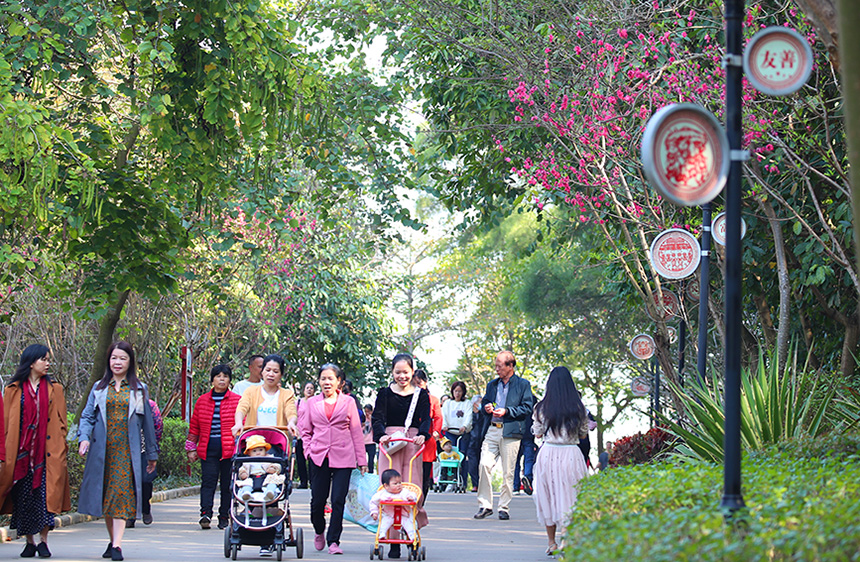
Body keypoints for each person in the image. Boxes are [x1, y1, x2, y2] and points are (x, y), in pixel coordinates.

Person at [78, 341, 158, 562]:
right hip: (102, 451)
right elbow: (87, 417)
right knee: (107, 498)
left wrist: (152, 454)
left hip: (126, 452)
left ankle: (117, 546)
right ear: (108, 360)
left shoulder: (139, 389)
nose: (117, 362)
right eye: (114, 358)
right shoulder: (99, 387)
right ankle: (112, 539)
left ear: (130, 362)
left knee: (121, 496)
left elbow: (148, 425)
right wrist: (83, 438)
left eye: (122, 358)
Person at [0, 344, 70, 559]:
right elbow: (5, 423)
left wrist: (61, 447)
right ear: (31, 362)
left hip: (47, 454)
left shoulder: (54, 389)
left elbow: (61, 422)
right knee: (24, 500)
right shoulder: (13, 389)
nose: (48, 363)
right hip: (20, 455)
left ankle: (43, 541)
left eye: (48, 359)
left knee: (44, 500)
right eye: (44, 359)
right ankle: (29, 542)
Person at [298, 363, 367, 555]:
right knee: (317, 501)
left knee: (338, 500)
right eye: (323, 378)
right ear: (318, 381)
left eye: (331, 378)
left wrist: (362, 460)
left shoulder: (348, 402)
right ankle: (319, 530)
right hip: (318, 455)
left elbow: (356, 431)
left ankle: (334, 540)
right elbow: (305, 431)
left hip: (344, 456)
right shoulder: (311, 403)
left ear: (339, 382)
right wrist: (308, 451)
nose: (326, 382)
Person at [372, 353, 430, 559]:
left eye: (406, 372)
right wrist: (381, 436)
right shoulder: (384, 393)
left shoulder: (420, 395)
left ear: (412, 372)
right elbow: (377, 418)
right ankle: (391, 538)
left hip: (412, 443)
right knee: (390, 486)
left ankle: (410, 532)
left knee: (411, 487)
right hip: (391, 443)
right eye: (398, 372)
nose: (402, 376)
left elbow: (426, 419)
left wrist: (423, 434)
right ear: (392, 372)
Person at [531, 366, 590, 555]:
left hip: (548, 454)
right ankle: (566, 539)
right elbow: (583, 435)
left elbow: (538, 433)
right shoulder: (579, 408)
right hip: (571, 454)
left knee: (547, 496)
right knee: (570, 496)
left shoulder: (541, 407)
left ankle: (551, 542)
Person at [474, 350, 535, 521]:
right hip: (492, 429)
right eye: (496, 366)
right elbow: (486, 400)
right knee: (484, 464)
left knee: (508, 471)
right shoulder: (492, 385)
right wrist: (486, 406)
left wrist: (508, 411)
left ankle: (504, 507)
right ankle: (485, 505)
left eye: (500, 366)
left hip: (511, 430)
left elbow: (527, 408)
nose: (496, 369)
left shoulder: (523, 384)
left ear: (510, 366)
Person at [186, 365, 241, 530]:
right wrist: (191, 448)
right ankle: (205, 513)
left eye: (225, 376)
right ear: (212, 380)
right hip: (208, 449)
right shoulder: (202, 401)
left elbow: (243, 425)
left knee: (227, 484)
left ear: (230, 380)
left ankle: (224, 515)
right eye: (218, 376)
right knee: (208, 482)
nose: (222, 379)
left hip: (230, 450)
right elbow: (194, 426)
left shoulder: (237, 401)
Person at [232, 354, 298, 438]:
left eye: (276, 371)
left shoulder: (287, 394)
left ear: (281, 375)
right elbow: (242, 408)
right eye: (268, 370)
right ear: (262, 372)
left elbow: (291, 412)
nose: (271, 374)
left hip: (277, 442)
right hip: (254, 443)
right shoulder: (250, 391)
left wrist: (291, 423)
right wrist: (238, 423)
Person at [128, 398, 162, 527]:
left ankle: (145, 507)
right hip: (125, 449)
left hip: (144, 448)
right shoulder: (120, 402)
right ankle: (130, 515)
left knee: (145, 480)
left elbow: (158, 426)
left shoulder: (150, 405)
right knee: (128, 481)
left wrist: (153, 447)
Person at [413, 369, 441, 506]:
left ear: (425, 382)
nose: (417, 385)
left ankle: (420, 504)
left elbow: (438, 417)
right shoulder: (409, 398)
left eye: (420, 382)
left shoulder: (433, 400)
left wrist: (436, 431)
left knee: (424, 475)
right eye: (415, 383)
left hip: (427, 440)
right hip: (411, 438)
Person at [369, 469, 418, 542]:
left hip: (403, 514)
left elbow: (413, 495)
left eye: (400, 483)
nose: (399, 485)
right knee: (383, 523)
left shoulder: (404, 492)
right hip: (389, 514)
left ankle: (412, 536)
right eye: (395, 484)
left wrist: (411, 498)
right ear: (386, 486)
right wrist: (374, 512)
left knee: (409, 524)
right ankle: (381, 534)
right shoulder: (382, 494)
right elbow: (373, 502)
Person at [441, 381, 472, 490]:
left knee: (461, 457)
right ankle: (449, 480)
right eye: (455, 391)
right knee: (449, 456)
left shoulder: (467, 403)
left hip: (462, 434)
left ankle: (462, 481)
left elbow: (468, 416)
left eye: (459, 391)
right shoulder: (448, 403)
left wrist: (465, 426)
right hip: (450, 432)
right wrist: (444, 425)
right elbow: (443, 415)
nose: (457, 394)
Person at [235, 435, 284, 502]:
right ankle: (247, 493)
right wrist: (243, 474)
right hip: (251, 477)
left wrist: (273, 469)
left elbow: (277, 466)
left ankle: (270, 492)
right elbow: (242, 469)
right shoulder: (247, 461)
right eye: (254, 451)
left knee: (272, 481)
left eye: (261, 450)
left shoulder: (270, 458)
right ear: (249, 453)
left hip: (266, 476)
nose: (258, 453)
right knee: (246, 483)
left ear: (265, 450)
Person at [294, 381, 316, 489]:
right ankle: (303, 482)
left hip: (312, 435)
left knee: (312, 460)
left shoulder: (316, 403)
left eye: (311, 388)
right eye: (307, 388)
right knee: (300, 459)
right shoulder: (298, 402)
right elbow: (294, 416)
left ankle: (313, 482)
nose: (309, 390)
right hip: (299, 435)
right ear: (304, 390)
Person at [513, 415, 537, 496]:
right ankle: (528, 479)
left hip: (515, 431)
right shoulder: (531, 402)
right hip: (528, 431)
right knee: (529, 459)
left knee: (515, 459)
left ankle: (515, 486)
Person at [466, 395, 485, 492]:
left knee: (482, 464)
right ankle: (475, 484)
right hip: (471, 442)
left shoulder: (483, 414)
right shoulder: (469, 414)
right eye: (479, 402)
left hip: (482, 441)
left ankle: (482, 484)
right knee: (472, 464)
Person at [363, 404, 376, 473]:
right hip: (363, 442)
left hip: (371, 442)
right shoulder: (363, 418)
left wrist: (371, 418)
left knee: (371, 460)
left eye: (368, 411)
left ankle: (370, 473)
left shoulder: (373, 418)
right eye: (366, 412)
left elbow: (376, 426)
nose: (367, 413)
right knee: (362, 461)